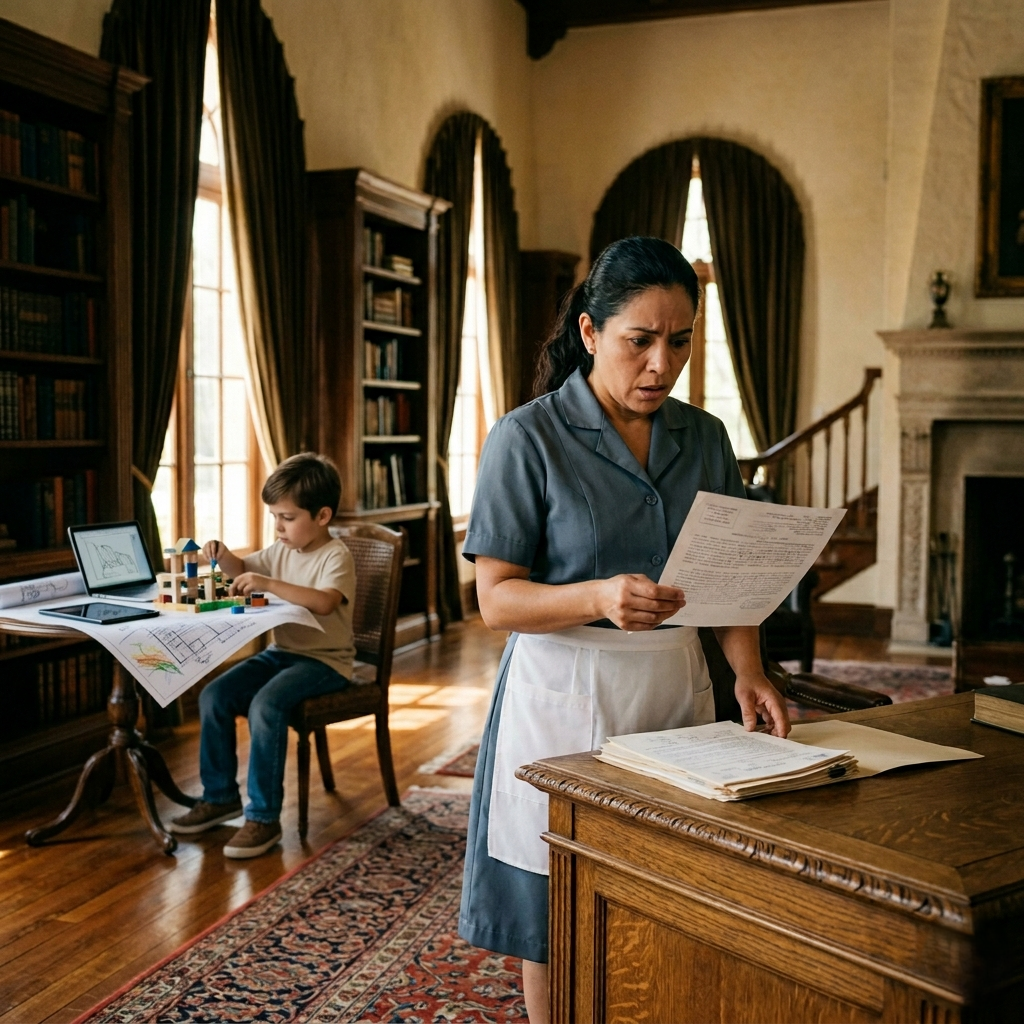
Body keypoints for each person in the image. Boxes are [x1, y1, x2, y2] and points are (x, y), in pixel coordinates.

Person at [458, 236, 790, 1023]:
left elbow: (730, 583)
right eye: (640, 340)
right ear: (589, 333)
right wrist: (596, 596)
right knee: (552, 907)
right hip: (560, 697)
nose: (660, 364)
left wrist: (748, 672)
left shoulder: (703, 438)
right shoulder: (525, 437)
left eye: (679, 341)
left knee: (668, 890)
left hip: (677, 689)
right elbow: (496, 601)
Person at [168, 452, 356, 859]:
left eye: (287, 517)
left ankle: (264, 818)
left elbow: (324, 602)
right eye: (274, 516)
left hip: (326, 663)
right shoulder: (280, 548)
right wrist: (222, 555)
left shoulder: (334, 556)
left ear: (322, 516)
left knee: (266, 705)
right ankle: (220, 796)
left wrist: (268, 581)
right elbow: (241, 569)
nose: (278, 526)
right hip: (282, 653)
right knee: (213, 696)